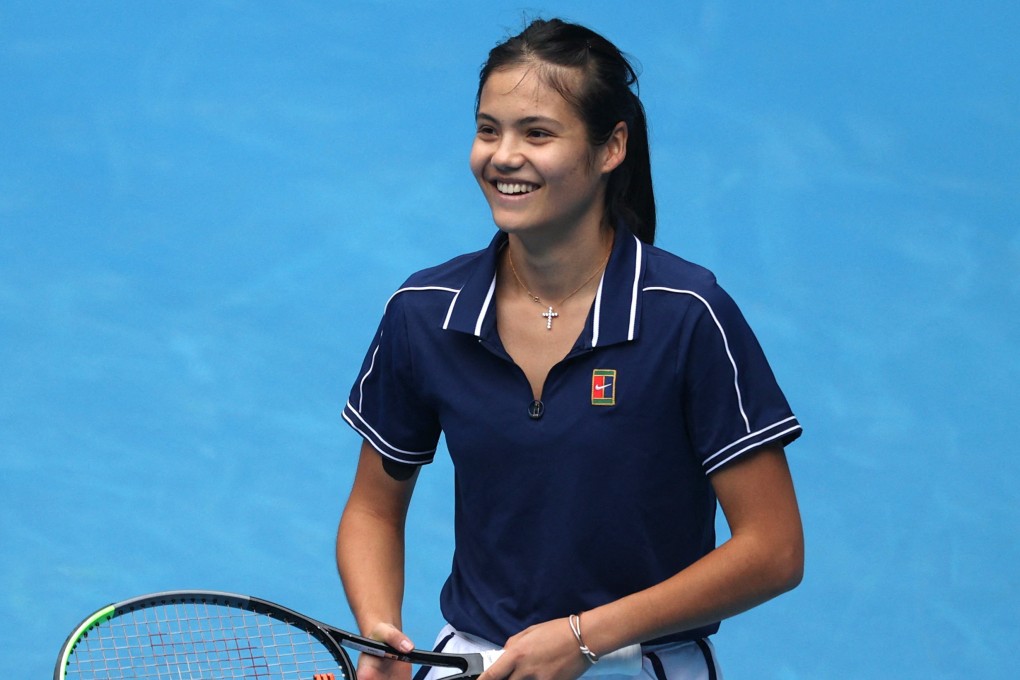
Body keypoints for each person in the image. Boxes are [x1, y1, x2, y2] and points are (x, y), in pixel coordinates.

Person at [336, 17, 803, 680]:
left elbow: (774, 549)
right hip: (476, 662)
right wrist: (379, 629)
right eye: (489, 129)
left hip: (640, 665)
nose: (503, 156)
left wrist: (585, 638)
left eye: (537, 133)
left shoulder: (687, 317)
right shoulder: (425, 313)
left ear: (612, 147)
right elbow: (372, 510)